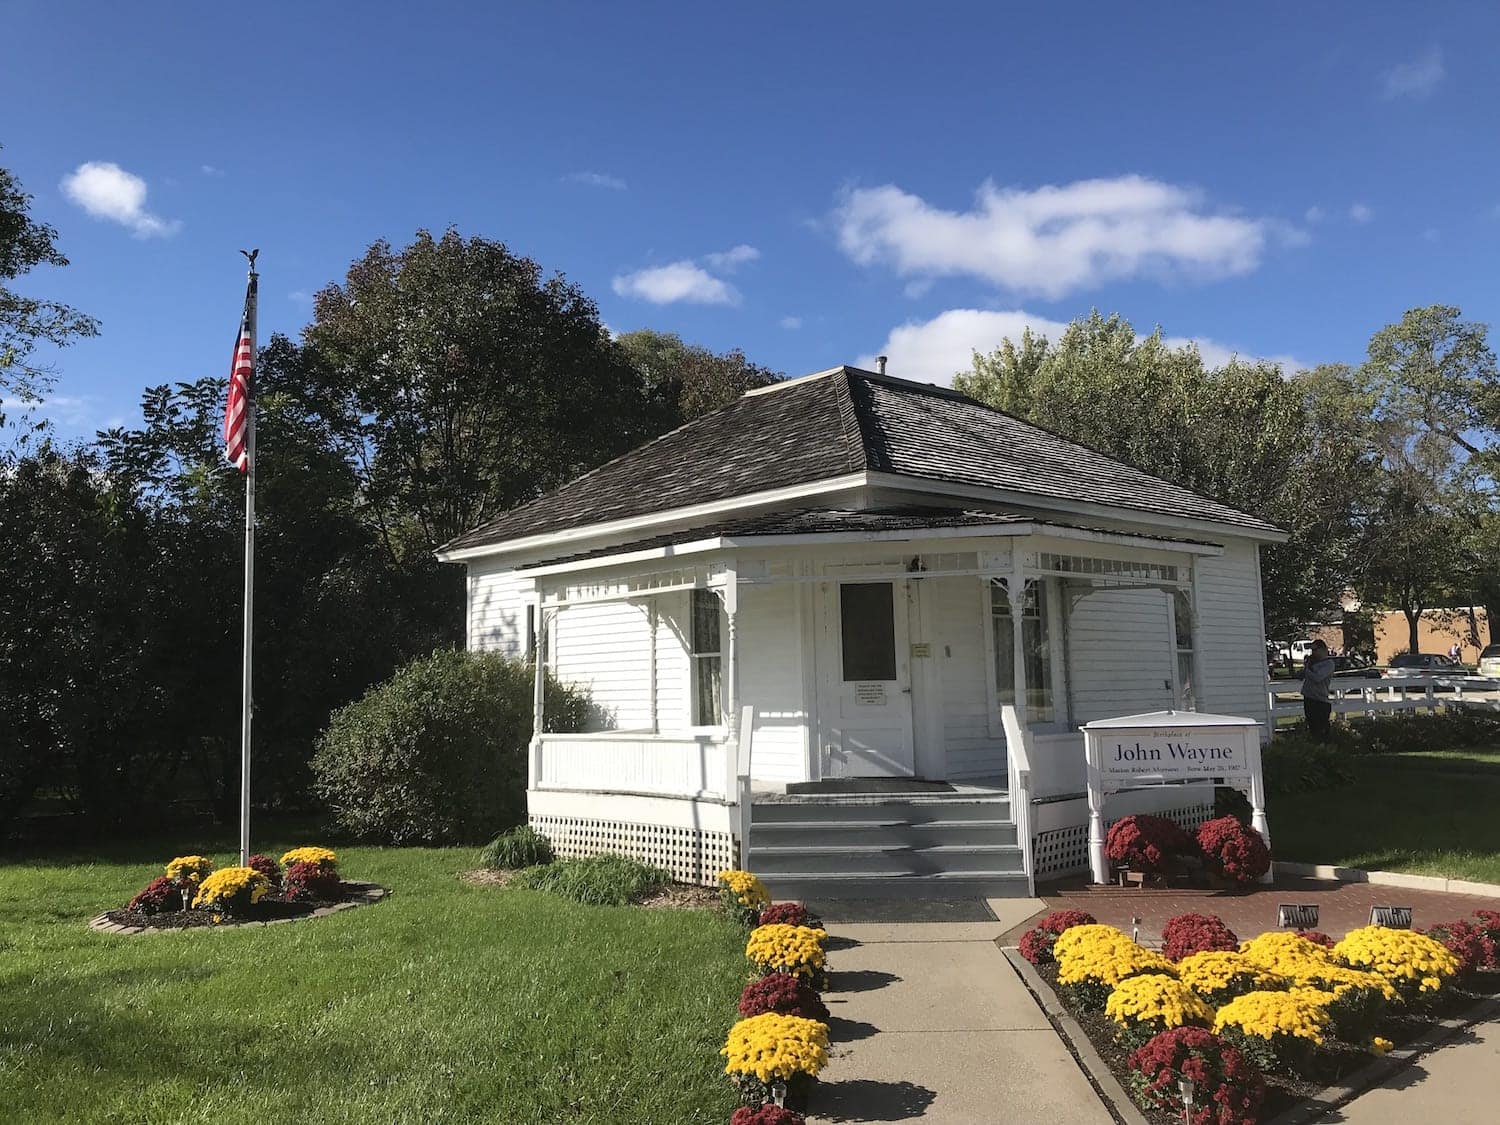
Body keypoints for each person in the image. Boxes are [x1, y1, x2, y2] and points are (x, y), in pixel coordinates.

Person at [1301, 640, 1336, 740]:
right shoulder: (1312, 663)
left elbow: (1318, 677)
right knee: (1313, 730)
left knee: (1322, 730)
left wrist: (1307, 670)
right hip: (1309, 699)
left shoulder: (1328, 664)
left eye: (1315, 650)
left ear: (1323, 649)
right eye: (1312, 650)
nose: (1313, 653)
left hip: (1320, 701)